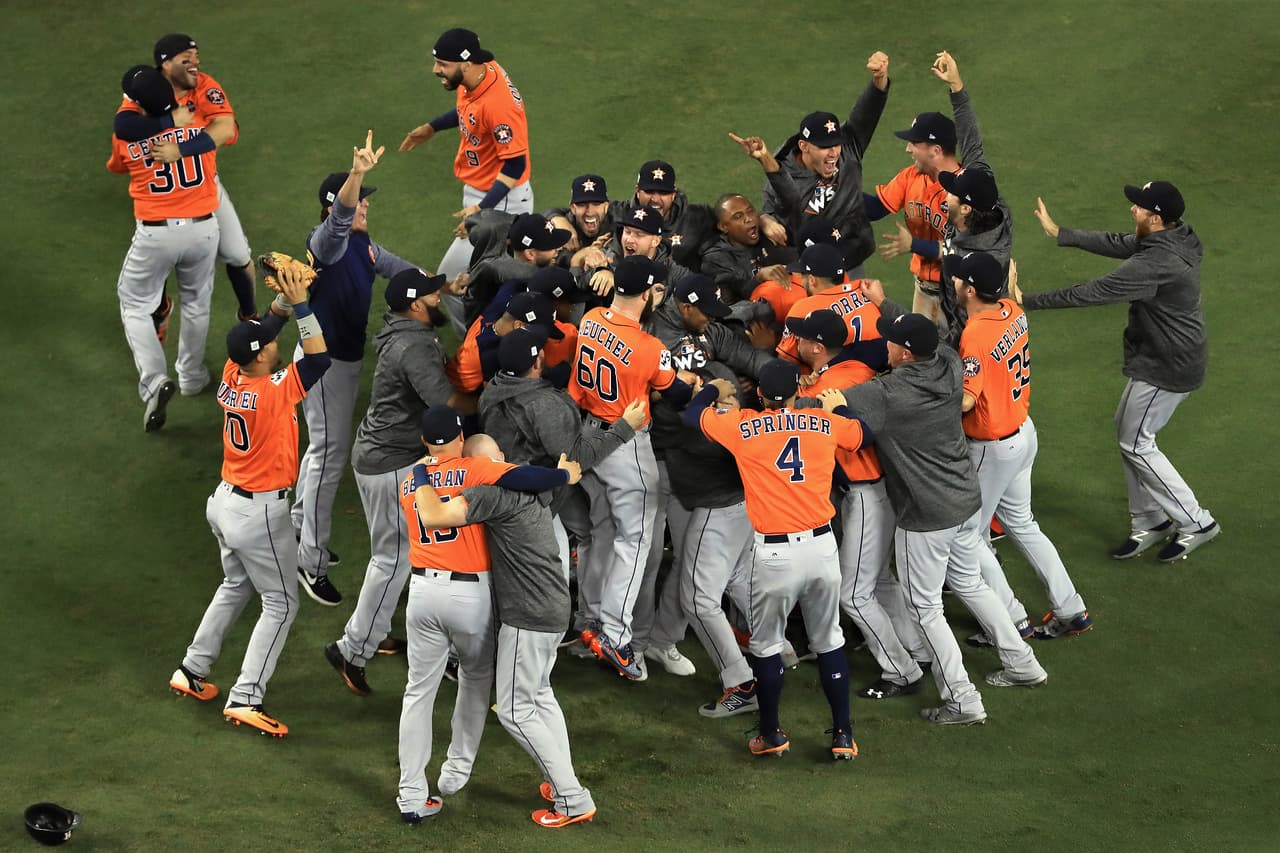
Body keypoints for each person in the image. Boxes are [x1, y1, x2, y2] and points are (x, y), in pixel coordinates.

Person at [818, 304, 1049, 724]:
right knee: (971, 584)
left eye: (891, 338)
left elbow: (828, 408)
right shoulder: (950, 362)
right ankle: (1023, 663)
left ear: (905, 353)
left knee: (925, 608)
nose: (884, 342)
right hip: (964, 499)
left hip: (926, 514)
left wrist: (832, 404)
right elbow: (929, 341)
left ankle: (962, 699)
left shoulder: (888, 394)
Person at [167, 262, 332, 738]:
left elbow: (264, 332)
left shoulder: (235, 373)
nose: (276, 344)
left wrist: (283, 299)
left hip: (225, 503)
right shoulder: (273, 393)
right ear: (261, 359)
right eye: (270, 345)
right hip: (257, 512)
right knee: (281, 603)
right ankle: (246, 697)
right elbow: (319, 360)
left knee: (235, 585)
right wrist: (301, 304)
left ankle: (192, 670)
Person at [1017, 181, 1219, 562]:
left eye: (1139, 207)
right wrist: (1063, 233)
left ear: (1156, 218)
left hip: (1169, 364)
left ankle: (1196, 521)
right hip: (1162, 356)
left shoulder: (1158, 262)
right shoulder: (1174, 237)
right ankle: (1150, 520)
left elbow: (1092, 292)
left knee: (1137, 441)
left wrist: (1025, 300)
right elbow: (1121, 242)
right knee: (1128, 431)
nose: (1132, 210)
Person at [394, 407, 576, 822]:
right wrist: (564, 475)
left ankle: (410, 795)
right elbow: (524, 478)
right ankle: (456, 770)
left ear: (425, 442)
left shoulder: (409, 481)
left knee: (417, 692)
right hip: (467, 595)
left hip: (421, 590)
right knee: (475, 681)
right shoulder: (474, 469)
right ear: (460, 437)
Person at [686, 359, 866, 760]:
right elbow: (861, 436)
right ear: (797, 394)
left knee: (766, 645)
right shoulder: (823, 420)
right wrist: (839, 409)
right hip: (822, 547)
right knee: (829, 639)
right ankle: (842, 735)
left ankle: (772, 735)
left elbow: (693, 416)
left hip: (776, 554)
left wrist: (714, 388)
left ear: (762, 396)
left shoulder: (743, 426)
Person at [293, 133, 424, 607]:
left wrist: (443, 283)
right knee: (329, 455)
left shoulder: (364, 246)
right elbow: (341, 218)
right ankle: (309, 561)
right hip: (325, 363)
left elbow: (401, 269)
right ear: (336, 209)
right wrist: (357, 174)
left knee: (321, 451)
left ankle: (298, 524)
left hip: (338, 361)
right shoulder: (326, 242)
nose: (364, 208)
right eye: (359, 202)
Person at [947, 251, 1092, 642]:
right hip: (1023, 433)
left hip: (991, 448)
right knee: (1022, 524)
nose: (955, 283)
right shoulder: (1013, 310)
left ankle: (1010, 619)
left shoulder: (975, 334)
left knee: (968, 535)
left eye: (960, 280)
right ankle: (1071, 608)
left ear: (972, 290)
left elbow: (965, 400)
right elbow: (1007, 296)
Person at [323, 268, 453, 695]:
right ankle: (351, 649)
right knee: (393, 557)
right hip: (389, 463)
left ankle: (370, 636)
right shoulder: (414, 346)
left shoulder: (407, 331)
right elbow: (444, 407)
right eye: (432, 294)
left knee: (393, 556)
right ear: (416, 305)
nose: (439, 298)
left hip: (382, 456)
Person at [787, 309, 929, 698]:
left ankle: (902, 671)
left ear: (817, 347)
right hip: (883, 489)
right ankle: (919, 650)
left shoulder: (824, 392)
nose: (794, 341)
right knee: (881, 581)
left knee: (853, 593)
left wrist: (801, 393)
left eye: (800, 337)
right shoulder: (856, 368)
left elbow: (793, 421)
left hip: (865, 495)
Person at [639, 274, 773, 678]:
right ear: (684, 307)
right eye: (705, 313)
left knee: (687, 560)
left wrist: (779, 379)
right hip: (650, 454)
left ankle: (661, 641)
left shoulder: (706, 329)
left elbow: (747, 356)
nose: (711, 321)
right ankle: (632, 638)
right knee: (643, 558)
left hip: (687, 462)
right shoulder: (654, 333)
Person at [569, 256, 695, 679]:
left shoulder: (590, 319)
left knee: (603, 533)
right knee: (637, 541)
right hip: (625, 444)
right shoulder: (649, 348)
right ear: (647, 294)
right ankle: (616, 635)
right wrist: (699, 385)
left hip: (586, 434)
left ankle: (589, 619)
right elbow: (674, 393)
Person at [115, 34, 260, 336]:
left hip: (204, 185)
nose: (197, 63)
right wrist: (167, 124)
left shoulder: (205, 85)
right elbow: (123, 126)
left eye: (197, 56)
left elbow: (227, 128)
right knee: (159, 249)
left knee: (237, 254)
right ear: (165, 63)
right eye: (187, 57)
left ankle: (251, 317)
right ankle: (159, 307)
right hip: (163, 195)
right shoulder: (144, 88)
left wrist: (179, 150)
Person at [108, 64, 220, 432]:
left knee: (135, 304)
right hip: (204, 228)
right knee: (197, 302)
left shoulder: (128, 132)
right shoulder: (195, 122)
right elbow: (216, 136)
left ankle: (154, 381)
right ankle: (190, 376)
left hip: (156, 234)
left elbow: (118, 163)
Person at [399, 28, 533, 332]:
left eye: (443, 64)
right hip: (481, 195)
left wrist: (480, 211)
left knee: (454, 278)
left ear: (466, 64)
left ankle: (477, 346)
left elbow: (515, 163)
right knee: (477, 278)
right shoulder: (475, 76)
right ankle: (483, 342)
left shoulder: (500, 105)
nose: (436, 70)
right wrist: (433, 127)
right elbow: (468, 113)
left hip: (501, 202)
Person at [731, 51, 890, 275]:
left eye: (837, 144)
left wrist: (879, 78)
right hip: (810, 266)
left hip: (851, 255)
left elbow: (868, 111)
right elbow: (768, 213)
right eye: (825, 146)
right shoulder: (781, 175)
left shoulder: (850, 147)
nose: (834, 152)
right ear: (804, 147)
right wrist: (765, 221)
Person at [774, 243, 886, 375]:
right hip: (881, 372)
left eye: (803, 275)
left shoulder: (802, 309)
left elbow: (783, 365)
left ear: (812, 280)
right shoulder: (868, 289)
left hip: (834, 383)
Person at [699, 193, 792, 303]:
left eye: (750, 211)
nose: (748, 218)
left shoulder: (768, 233)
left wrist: (766, 218)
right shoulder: (716, 259)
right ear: (723, 227)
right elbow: (729, 305)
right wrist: (758, 279)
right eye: (738, 216)